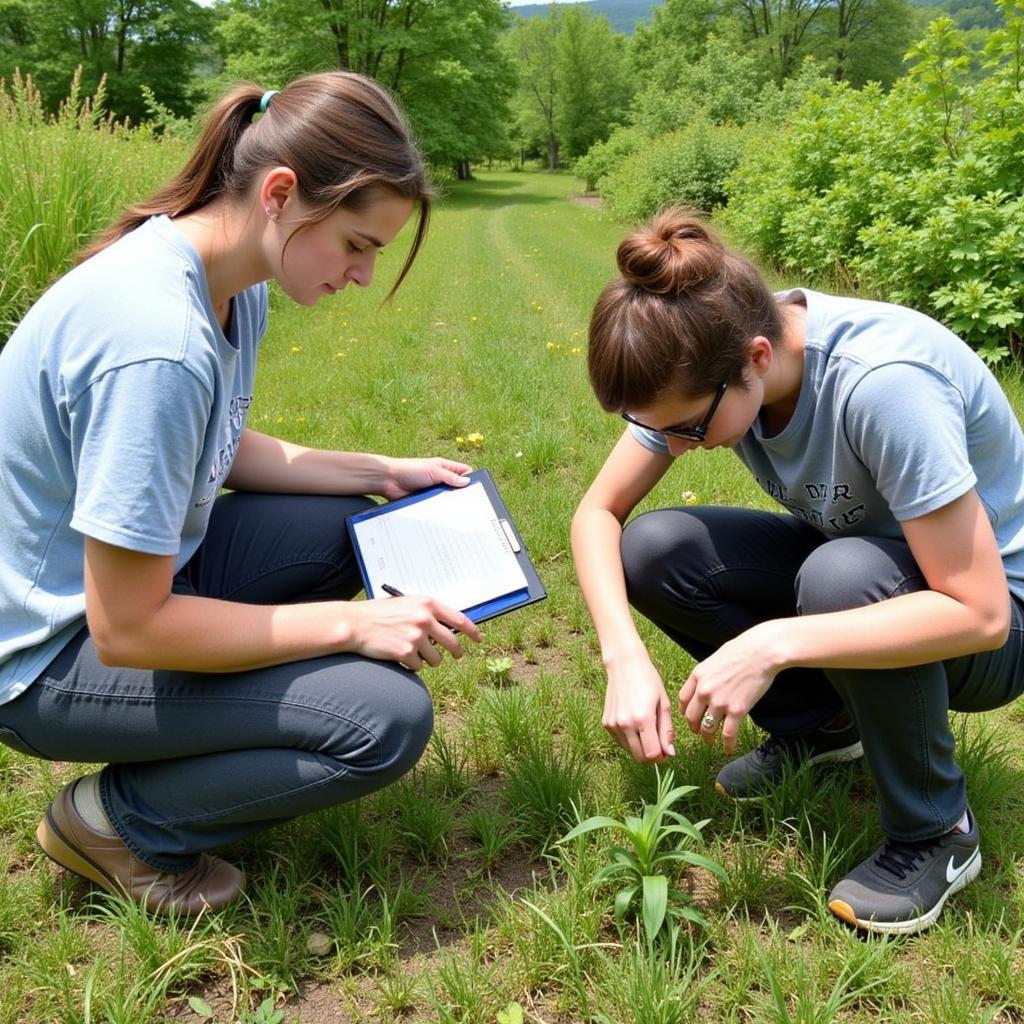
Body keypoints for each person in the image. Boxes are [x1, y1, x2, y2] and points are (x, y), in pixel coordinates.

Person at [0, 71, 483, 916]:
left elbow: (210, 449)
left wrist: (379, 471)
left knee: (348, 527)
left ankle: (195, 755)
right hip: (42, 657)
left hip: (129, 594)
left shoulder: (226, 283)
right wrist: (353, 624)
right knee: (384, 720)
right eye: (358, 244)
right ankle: (117, 822)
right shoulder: (155, 343)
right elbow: (127, 627)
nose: (364, 275)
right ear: (281, 193)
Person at [571, 208, 1024, 935]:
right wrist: (621, 655)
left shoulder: (883, 386)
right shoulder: (706, 352)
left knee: (840, 578)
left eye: (687, 428)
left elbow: (981, 612)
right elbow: (597, 513)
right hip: (874, 571)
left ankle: (936, 832)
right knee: (655, 550)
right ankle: (823, 729)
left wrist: (770, 644)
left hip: (994, 623)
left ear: (755, 358)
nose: (678, 448)